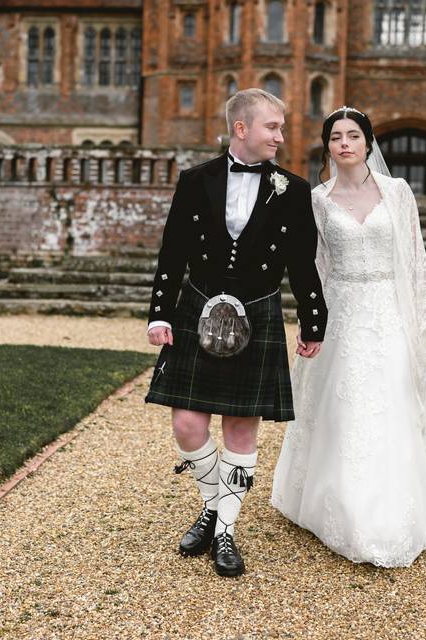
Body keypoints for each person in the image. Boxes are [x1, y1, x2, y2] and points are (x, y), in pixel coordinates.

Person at [270, 106, 426, 568]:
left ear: (367, 142)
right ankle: (340, 506)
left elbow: (415, 258)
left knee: (395, 403)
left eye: (353, 135)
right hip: (341, 314)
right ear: (328, 146)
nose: (344, 143)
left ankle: (397, 507)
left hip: (389, 313)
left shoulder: (397, 192)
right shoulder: (317, 200)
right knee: (344, 407)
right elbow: (314, 267)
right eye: (336, 136)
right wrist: (310, 320)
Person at [145, 88, 327, 577]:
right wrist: (159, 314)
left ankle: (224, 527)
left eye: (282, 127)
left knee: (241, 427)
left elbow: (302, 264)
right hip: (197, 307)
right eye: (273, 127)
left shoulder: (293, 189)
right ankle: (211, 501)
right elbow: (172, 252)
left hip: (259, 309)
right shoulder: (195, 180)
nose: (281, 136)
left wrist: (314, 321)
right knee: (187, 424)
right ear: (241, 128)